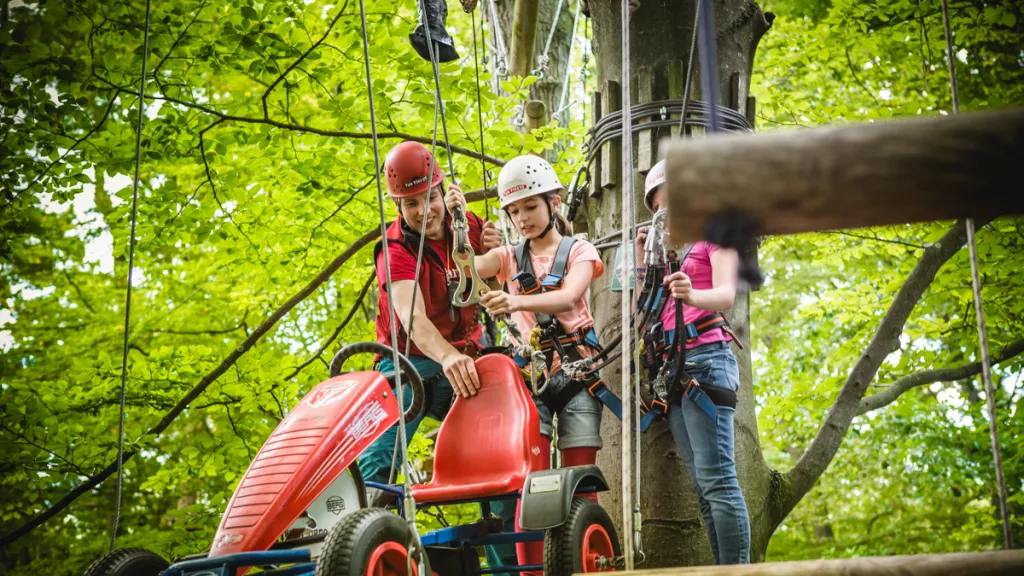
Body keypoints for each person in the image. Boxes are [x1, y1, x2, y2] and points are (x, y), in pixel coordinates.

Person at [473, 155, 606, 571]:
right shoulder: (508, 257)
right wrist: (465, 237)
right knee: (528, 485)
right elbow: (467, 271)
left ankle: (586, 559)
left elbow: (568, 297)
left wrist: (515, 300)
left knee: (582, 480)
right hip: (529, 381)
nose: (522, 218)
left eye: (530, 206)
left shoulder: (580, 249)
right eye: (514, 211)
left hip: (578, 375)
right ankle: (530, 572)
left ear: (554, 202)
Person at [636, 158, 750, 565]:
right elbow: (647, 312)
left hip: (706, 358)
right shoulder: (664, 259)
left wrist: (690, 294)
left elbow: (724, 296)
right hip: (676, 368)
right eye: (659, 207)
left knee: (719, 481)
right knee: (704, 487)